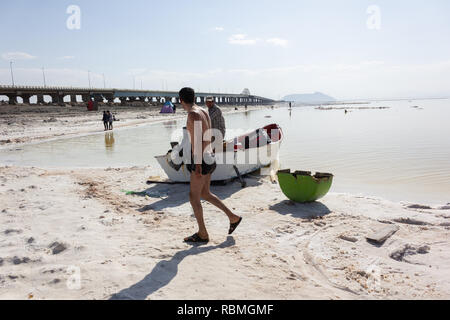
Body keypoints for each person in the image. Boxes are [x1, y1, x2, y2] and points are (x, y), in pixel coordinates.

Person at [179, 88, 242, 244]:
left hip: (201, 159)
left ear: (180, 100)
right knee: (205, 193)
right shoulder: (203, 111)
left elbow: (199, 139)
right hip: (209, 156)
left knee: (193, 196)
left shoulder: (193, 114)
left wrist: (198, 165)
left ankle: (202, 233)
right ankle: (233, 217)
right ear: (193, 97)